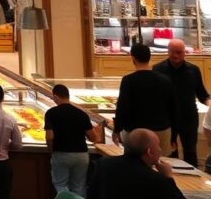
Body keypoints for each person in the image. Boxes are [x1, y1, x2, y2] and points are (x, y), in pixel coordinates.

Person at [154, 38, 210, 167]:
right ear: (168, 51)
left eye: (179, 52)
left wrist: (209, 103)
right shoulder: (158, 69)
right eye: (173, 52)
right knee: (169, 153)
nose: (175, 55)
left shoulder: (194, 70)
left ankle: (194, 183)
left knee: (190, 151)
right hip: (166, 118)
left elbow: (202, 94)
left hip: (188, 117)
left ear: (185, 52)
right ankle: (172, 182)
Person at [89, 128, 185, 199]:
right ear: (149, 152)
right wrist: (168, 177)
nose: (160, 150)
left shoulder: (103, 164)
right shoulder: (156, 179)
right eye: (158, 146)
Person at [113, 43, 175, 152]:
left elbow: (123, 107)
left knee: (134, 164)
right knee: (160, 162)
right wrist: (174, 134)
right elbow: (173, 108)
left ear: (133, 58)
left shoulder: (128, 80)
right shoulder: (165, 80)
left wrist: (117, 129)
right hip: (161, 129)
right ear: (149, 57)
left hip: (134, 131)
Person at [44, 83, 98, 196]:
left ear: (56, 97)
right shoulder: (82, 114)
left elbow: (49, 136)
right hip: (81, 155)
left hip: (61, 154)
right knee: (79, 186)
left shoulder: (51, 113)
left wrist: (50, 150)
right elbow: (93, 137)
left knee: (61, 186)